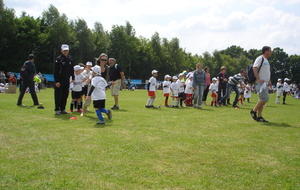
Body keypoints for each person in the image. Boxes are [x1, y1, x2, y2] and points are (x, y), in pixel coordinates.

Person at [250, 46, 272, 122]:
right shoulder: (260, 58)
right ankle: (253, 111)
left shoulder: (266, 60)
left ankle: (259, 116)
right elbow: (255, 68)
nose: (271, 52)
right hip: (260, 83)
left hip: (265, 83)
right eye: (270, 50)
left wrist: (269, 81)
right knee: (265, 98)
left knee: (261, 99)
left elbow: (266, 72)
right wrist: (258, 79)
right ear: (266, 51)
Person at [54, 44, 75, 115]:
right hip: (60, 80)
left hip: (67, 80)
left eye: (67, 50)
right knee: (58, 95)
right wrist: (57, 81)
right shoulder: (59, 59)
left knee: (65, 95)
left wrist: (73, 78)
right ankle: (57, 109)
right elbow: (55, 71)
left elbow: (72, 69)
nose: (66, 51)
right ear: (61, 51)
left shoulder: (70, 59)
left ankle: (63, 109)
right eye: (64, 50)